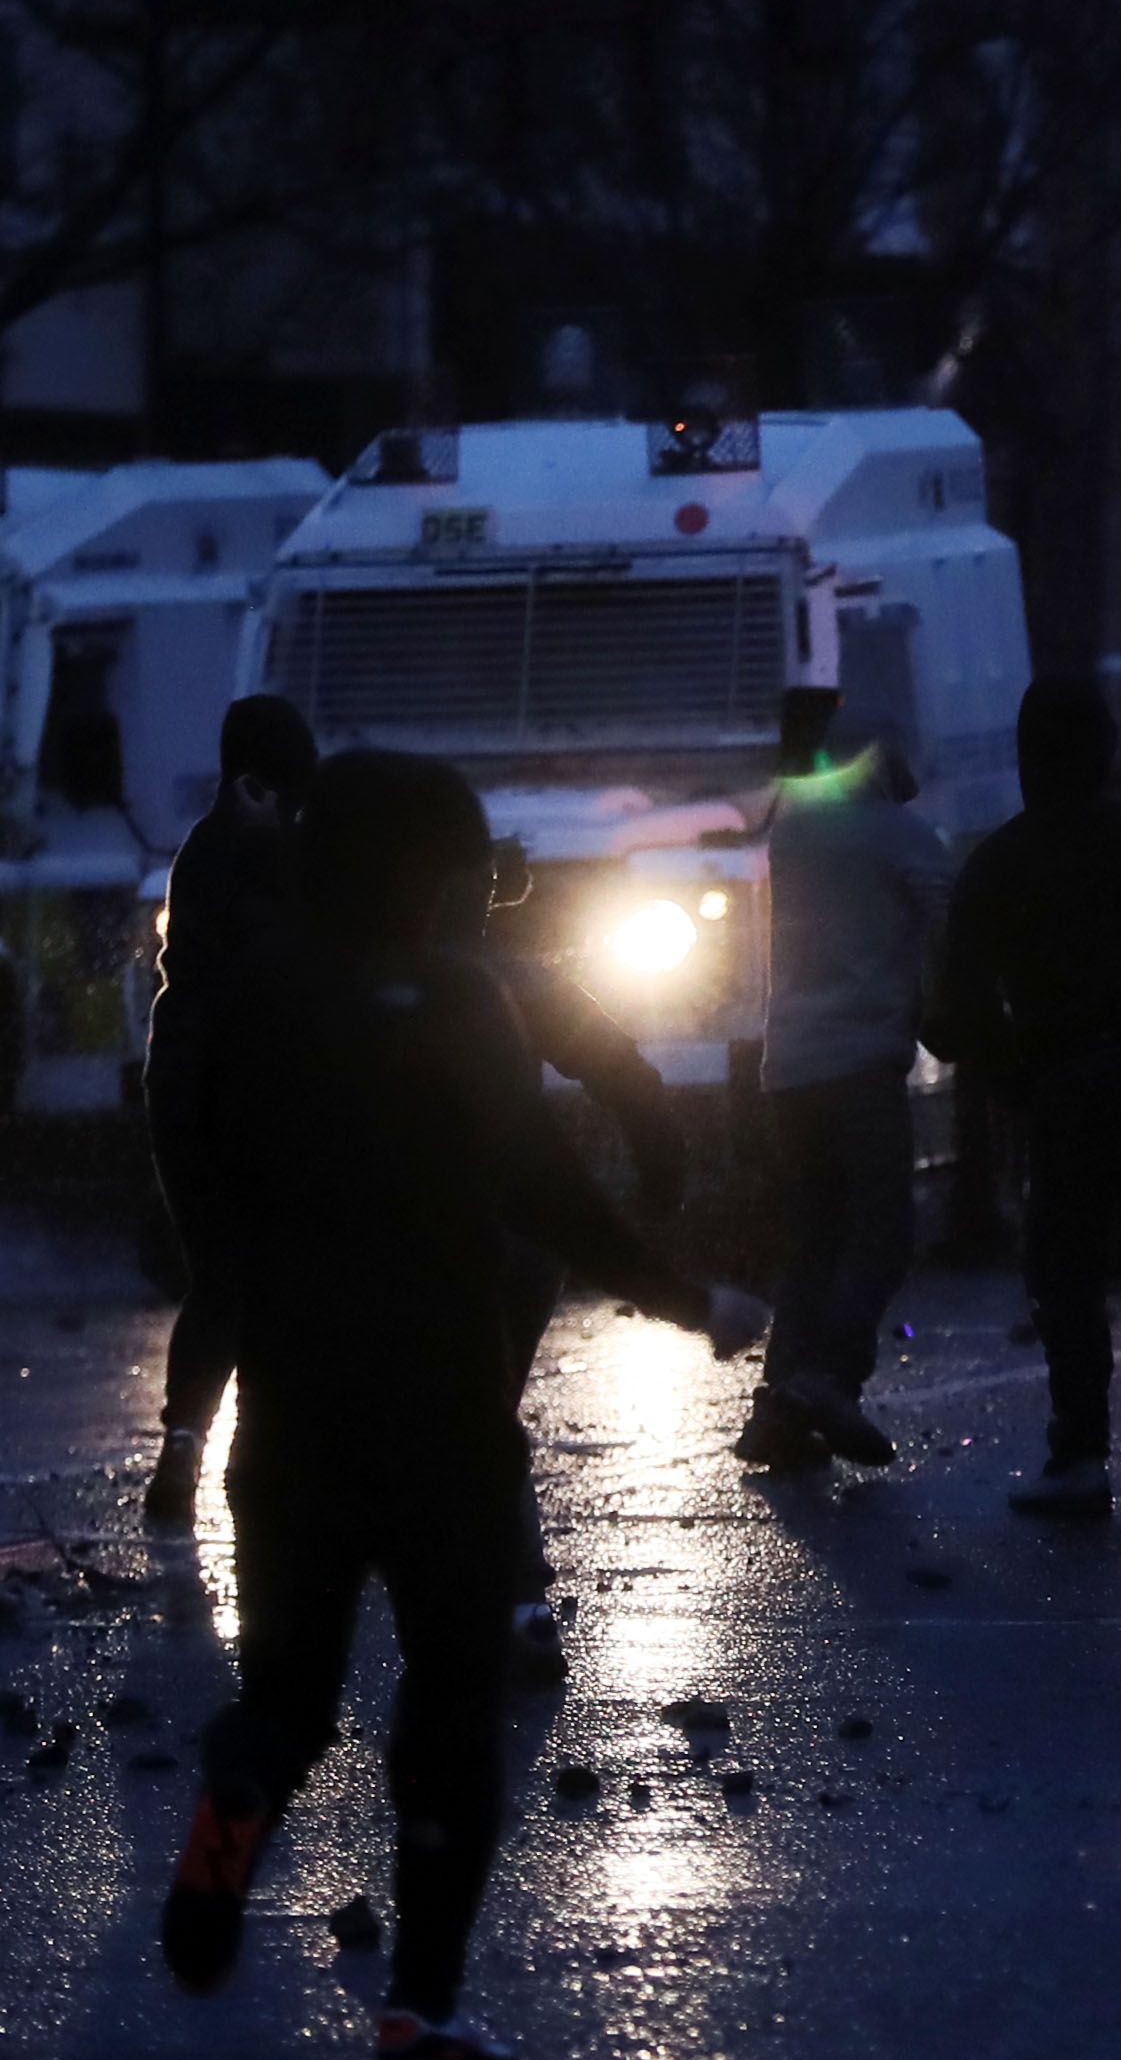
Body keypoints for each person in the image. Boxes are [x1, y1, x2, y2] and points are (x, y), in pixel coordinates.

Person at [159, 750, 762, 2060]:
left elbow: (193, 1154)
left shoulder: (256, 999)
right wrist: (683, 1296)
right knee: (448, 1702)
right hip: (441, 1406)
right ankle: (418, 2008)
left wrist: (239, 1277)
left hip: (294, 1408)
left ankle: (240, 1793)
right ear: (431, 876)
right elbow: (545, 1187)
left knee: (291, 1697)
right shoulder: (465, 1003)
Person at [928, 676, 1121, 1520]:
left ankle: (1081, 1455)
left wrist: (1011, 1072)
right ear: (1102, 753)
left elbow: (954, 1009)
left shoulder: (999, 860)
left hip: (1059, 1088)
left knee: (1067, 1275)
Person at [465, 842, 687, 1686]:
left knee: (458, 1417)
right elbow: (623, 1073)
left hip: (425, 1244)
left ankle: (506, 1601)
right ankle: (507, 1600)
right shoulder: (520, 979)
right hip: (523, 1238)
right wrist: (664, 1165)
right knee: (479, 1412)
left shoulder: (363, 983)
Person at [739, 715, 953, 1473]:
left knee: (814, 1238)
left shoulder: (794, 834)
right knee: (883, 1233)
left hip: (788, 1066)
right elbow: (949, 930)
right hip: (861, 1062)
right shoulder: (897, 834)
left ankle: (778, 1413)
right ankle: (830, 1381)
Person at [139, 696, 318, 1524]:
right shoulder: (251, 852)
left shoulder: (206, 848)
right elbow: (287, 949)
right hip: (237, 1091)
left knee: (221, 1276)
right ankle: (256, 1457)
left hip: (181, 1088)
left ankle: (184, 1449)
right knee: (268, 1274)